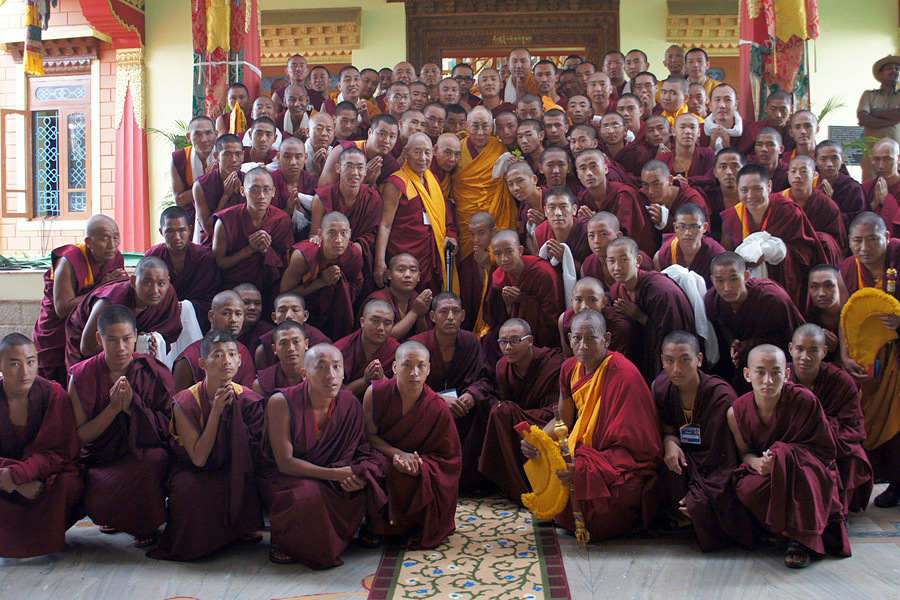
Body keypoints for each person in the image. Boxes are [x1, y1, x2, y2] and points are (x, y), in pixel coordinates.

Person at [521, 310, 662, 539]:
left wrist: (584, 469)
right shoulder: (569, 368)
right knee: (542, 461)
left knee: (610, 501)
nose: (583, 346)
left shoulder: (625, 375)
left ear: (606, 339)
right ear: (569, 339)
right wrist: (538, 441)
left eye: (591, 338)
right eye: (577, 338)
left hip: (617, 463)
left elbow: (640, 451)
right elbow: (563, 421)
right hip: (584, 451)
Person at [263, 344, 387, 568]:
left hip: (335, 475)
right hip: (289, 478)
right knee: (308, 495)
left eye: (337, 367)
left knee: (371, 475)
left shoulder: (350, 403)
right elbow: (284, 463)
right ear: (304, 374)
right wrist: (335, 474)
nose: (331, 375)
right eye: (321, 367)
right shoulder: (281, 402)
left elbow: (360, 451)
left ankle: (343, 535)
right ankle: (285, 540)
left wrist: (354, 475)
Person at [727, 345, 850, 568]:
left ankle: (800, 540)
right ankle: (781, 529)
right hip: (766, 471)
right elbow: (744, 454)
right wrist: (759, 463)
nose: (768, 380)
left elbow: (823, 452)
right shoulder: (736, 411)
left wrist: (784, 458)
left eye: (775, 372)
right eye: (760, 371)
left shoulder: (804, 401)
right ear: (747, 374)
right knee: (747, 488)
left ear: (787, 374)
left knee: (800, 470)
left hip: (806, 470)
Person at [149, 330, 265, 561]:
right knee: (190, 490)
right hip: (194, 468)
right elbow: (199, 458)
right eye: (218, 355)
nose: (227, 361)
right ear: (202, 363)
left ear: (240, 360)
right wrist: (216, 412)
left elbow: (256, 454)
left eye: (232, 354)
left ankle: (238, 530)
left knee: (248, 478)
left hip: (234, 466)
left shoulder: (249, 399)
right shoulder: (186, 401)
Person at [68, 305, 175, 548]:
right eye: (112, 340)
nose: (121, 348)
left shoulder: (152, 370)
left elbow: (170, 426)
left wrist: (133, 409)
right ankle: (115, 517)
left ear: (136, 336)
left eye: (127, 339)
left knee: (157, 459)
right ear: (99, 339)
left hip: (142, 453)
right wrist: (114, 408)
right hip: (101, 459)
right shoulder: (82, 376)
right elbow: (79, 437)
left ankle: (143, 523)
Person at [653, 331, 753, 551]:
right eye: (669, 361)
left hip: (716, 465)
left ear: (698, 360)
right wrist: (670, 443)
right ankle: (691, 513)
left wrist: (697, 496)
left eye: (685, 360)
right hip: (688, 460)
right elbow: (668, 429)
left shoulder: (721, 396)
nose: (676, 369)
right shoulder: (662, 389)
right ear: (662, 361)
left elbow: (724, 458)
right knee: (667, 474)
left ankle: (697, 514)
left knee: (705, 500)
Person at [364, 341, 462, 547]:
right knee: (374, 468)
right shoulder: (375, 393)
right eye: (407, 365)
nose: (414, 372)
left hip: (419, 465)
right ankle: (377, 527)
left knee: (410, 475)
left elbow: (450, 460)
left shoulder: (438, 408)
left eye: (420, 366)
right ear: (394, 367)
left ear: (428, 370)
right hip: (383, 455)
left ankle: (411, 526)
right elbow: (370, 437)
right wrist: (397, 454)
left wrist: (420, 468)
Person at [0, 333, 82, 559]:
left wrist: (19, 474)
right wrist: (15, 482)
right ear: (1, 365)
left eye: (30, 361)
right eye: (14, 363)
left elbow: (60, 452)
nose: (24, 372)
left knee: (69, 483)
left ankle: (46, 539)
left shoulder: (54, 394)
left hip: (43, 477)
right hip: (4, 479)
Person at [839, 212, 900, 507]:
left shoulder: (898, 256)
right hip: (872, 357)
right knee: (877, 417)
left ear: (886, 238)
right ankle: (893, 482)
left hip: (897, 352)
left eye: (872, 239)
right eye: (857, 240)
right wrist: (844, 353)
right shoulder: (848, 268)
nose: (864, 247)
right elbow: (845, 314)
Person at [410, 293, 497, 488]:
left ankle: (470, 478)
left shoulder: (470, 342)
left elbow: (484, 377)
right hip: (427, 409)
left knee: (488, 406)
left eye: (455, 312)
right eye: (444, 311)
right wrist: (437, 400)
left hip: (462, 408)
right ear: (432, 316)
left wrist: (472, 395)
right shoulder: (418, 344)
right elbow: (405, 385)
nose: (450, 317)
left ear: (464, 315)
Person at [788, 324, 873, 515]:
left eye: (813, 350)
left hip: (831, 444)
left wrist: (818, 435)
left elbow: (853, 427)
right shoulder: (779, 377)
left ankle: (837, 511)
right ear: (790, 349)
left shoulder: (841, 381)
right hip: (793, 444)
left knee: (854, 458)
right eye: (800, 349)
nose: (805, 357)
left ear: (824, 352)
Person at [720, 163, 828, 310]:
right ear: (737, 190)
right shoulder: (733, 217)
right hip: (748, 286)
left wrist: (774, 252)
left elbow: (806, 252)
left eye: (757, 188)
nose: (750, 195)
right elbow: (728, 258)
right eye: (744, 190)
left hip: (785, 282)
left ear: (769, 186)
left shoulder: (788, 210)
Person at [34, 215, 125, 385]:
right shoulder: (69, 260)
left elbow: (116, 293)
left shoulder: (115, 257)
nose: (112, 245)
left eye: (115, 237)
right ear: (88, 242)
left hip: (88, 331)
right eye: (105, 239)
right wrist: (101, 287)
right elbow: (61, 308)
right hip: (56, 335)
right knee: (56, 388)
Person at [479, 319, 563, 502]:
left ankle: (524, 485)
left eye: (515, 341)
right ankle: (514, 485)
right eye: (503, 342)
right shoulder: (502, 367)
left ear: (530, 340)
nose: (508, 347)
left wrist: (513, 413)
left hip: (548, 423)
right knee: (501, 412)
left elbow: (556, 411)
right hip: (520, 421)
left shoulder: (553, 363)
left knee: (504, 413)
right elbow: (507, 401)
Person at [705, 252, 805, 390]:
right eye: (720, 281)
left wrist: (748, 347)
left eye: (734, 279)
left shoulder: (772, 299)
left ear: (746, 276)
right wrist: (733, 342)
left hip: (774, 371)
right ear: (712, 279)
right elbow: (720, 325)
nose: (727, 288)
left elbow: (791, 340)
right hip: (737, 369)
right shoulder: (712, 299)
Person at [374, 132, 458, 295]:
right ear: (406, 152)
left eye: (427, 153)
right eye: (417, 152)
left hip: (431, 256)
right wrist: (379, 263)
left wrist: (449, 235)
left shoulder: (433, 180)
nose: (422, 158)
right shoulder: (396, 182)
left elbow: (442, 217)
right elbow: (384, 225)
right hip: (404, 257)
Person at [65, 256, 182, 370]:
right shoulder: (109, 301)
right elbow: (86, 347)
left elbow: (170, 330)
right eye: (148, 283)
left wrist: (151, 339)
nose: (155, 291)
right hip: (90, 358)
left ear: (167, 282)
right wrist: (132, 344)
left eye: (161, 284)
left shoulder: (168, 294)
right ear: (133, 281)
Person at [607, 237, 696, 382]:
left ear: (638, 261)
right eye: (612, 261)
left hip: (670, 363)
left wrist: (640, 317)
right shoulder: (617, 290)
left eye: (624, 260)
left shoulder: (660, 292)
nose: (617, 267)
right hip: (644, 356)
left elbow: (673, 336)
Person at [281, 212, 363, 341]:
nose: (338, 240)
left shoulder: (354, 254)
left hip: (335, 315)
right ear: (320, 234)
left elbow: (357, 283)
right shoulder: (303, 256)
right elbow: (285, 293)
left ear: (350, 233)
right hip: (305, 313)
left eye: (343, 233)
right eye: (331, 233)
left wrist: (341, 294)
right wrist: (321, 282)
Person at [212, 167, 293, 295]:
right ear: (243, 191)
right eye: (255, 190)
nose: (261, 196)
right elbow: (219, 262)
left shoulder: (282, 220)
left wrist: (266, 251)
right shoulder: (225, 221)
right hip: (234, 289)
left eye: (266, 190)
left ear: (273, 192)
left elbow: (287, 263)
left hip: (269, 288)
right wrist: (249, 250)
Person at [310, 146, 383, 280]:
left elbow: (371, 236)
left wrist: (351, 251)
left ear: (366, 171)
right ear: (338, 168)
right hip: (328, 260)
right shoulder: (321, 198)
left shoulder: (373, 198)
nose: (354, 172)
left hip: (358, 258)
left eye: (360, 167)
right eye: (349, 166)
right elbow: (314, 234)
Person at [485, 229, 563, 350]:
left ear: (520, 250)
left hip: (542, 336)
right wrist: (508, 305)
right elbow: (497, 317)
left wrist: (522, 299)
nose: (503, 259)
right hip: (514, 334)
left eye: (509, 252)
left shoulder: (543, 273)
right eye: (498, 254)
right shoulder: (499, 276)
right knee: (489, 341)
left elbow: (552, 316)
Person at [146, 206, 220, 333]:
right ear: (161, 231)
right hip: (161, 321)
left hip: (197, 323)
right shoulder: (153, 256)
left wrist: (184, 308)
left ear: (190, 230)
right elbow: (145, 294)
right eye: (170, 231)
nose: (176, 237)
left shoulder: (204, 258)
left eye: (182, 230)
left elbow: (210, 299)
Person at [575, 148, 655, 256]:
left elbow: (628, 237)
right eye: (583, 168)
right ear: (578, 175)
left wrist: (596, 223)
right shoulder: (582, 198)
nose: (589, 173)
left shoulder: (624, 195)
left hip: (631, 256)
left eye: (594, 166)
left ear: (605, 169)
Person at [173, 290, 256, 392]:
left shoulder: (242, 351)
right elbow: (179, 402)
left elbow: (248, 398)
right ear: (211, 316)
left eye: (238, 314)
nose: (233, 319)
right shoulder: (190, 357)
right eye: (226, 313)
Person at [781, 155, 848, 264]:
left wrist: (817, 240)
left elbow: (838, 241)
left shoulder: (826, 204)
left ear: (814, 175)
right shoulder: (779, 201)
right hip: (786, 257)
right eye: (793, 171)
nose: (798, 176)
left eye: (803, 171)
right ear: (788, 174)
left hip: (817, 256)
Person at [334, 299, 400, 400]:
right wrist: (364, 381)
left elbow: (398, 393)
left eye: (387, 323)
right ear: (362, 322)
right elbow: (333, 393)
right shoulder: (340, 349)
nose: (381, 328)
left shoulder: (397, 352)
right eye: (375, 321)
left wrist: (382, 379)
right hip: (345, 408)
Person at [318, 114, 401, 189]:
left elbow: (382, 202)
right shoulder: (342, 151)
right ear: (370, 132)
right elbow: (323, 189)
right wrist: (361, 180)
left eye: (392, 136)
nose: (387, 140)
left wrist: (372, 183)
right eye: (382, 134)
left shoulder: (391, 166)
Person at [559, 276, 633, 360]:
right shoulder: (565, 320)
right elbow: (569, 358)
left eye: (592, 300)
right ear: (572, 301)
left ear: (603, 302)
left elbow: (616, 363)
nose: (584, 307)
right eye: (579, 300)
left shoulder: (619, 327)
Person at [254, 291, 331, 371]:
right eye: (282, 311)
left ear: (305, 316)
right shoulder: (265, 347)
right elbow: (265, 378)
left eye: (295, 310)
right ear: (274, 317)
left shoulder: (321, 343)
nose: (288, 316)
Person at [654, 202, 725, 286]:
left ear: (705, 227)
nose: (688, 233)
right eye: (682, 227)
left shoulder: (717, 254)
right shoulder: (662, 256)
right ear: (675, 227)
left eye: (694, 227)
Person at [193, 134, 245, 247]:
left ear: (243, 156)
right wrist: (226, 196)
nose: (234, 160)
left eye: (238, 154)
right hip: (213, 244)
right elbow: (208, 228)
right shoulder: (201, 186)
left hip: (243, 242)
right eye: (227, 154)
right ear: (216, 156)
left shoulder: (248, 181)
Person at [638, 159, 710, 234]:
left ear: (670, 181)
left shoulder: (690, 199)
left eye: (656, 184)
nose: (650, 191)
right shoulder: (643, 195)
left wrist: (665, 220)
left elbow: (698, 236)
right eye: (645, 185)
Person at [171, 116, 217, 232]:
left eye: (208, 133)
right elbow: (179, 200)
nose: (204, 139)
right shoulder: (179, 158)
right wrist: (205, 181)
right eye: (197, 134)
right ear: (189, 137)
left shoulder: (224, 155)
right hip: (191, 219)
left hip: (218, 215)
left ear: (216, 134)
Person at [858, 55, 900, 179]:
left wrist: (876, 113)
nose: (894, 71)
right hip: (872, 154)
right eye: (889, 68)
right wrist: (894, 119)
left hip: (896, 154)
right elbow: (864, 119)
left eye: (897, 68)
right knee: (870, 190)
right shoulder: (869, 95)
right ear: (880, 74)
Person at [534, 187, 591, 275]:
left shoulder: (586, 230)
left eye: (563, 207)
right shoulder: (540, 232)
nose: (558, 213)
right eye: (552, 207)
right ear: (545, 211)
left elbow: (592, 271)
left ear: (574, 209)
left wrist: (565, 258)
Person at [814, 140, 868, 231]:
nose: (829, 164)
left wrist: (830, 204)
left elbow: (858, 222)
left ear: (842, 159)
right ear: (815, 161)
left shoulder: (852, 188)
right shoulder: (810, 185)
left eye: (834, 158)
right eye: (823, 159)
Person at [253, 320, 308, 398]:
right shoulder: (261, 383)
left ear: (306, 344)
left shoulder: (318, 375)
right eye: (284, 343)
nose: (291, 348)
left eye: (296, 342)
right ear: (274, 348)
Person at [804, 264, 846, 364]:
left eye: (828, 286)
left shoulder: (851, 315)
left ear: (840, 285)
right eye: (814, 287)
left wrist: (839, 348)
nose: (821, 293)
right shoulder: (809, 317)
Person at [269, 137, 317, 220]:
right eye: (287, 157)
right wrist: (287, 211)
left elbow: (316, 217)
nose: (293, 162)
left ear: (305, 158)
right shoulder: (270, 180)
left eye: (298, 157)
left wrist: (302, 213)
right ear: (279, 158)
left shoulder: (311, 182)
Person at [862, 138, 900, 237]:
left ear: (898, 159)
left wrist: (886, 201)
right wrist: (873, 205)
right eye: (876, 159)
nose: (881, 165)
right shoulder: (866, 187)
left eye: (887, 159)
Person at [658, 113, 715, 177]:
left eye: (692, 127)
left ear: (699, 132)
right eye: (682, 127)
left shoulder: (707, 155)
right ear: (673, 132)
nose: (688, 131)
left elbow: (711, 181)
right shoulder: (662, 161)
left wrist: (685, 183)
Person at [741, 90, 795, 157]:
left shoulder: (795, 130)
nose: (778, 115)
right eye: (773, 109)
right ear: (766, 108)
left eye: (783, 110)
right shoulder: (754, 129)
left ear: (791, 109)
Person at [234, 283, 272, 358]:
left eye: (257, 304)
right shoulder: (221, 329)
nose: (252, 308)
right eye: (246, 303)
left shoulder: (268, 333)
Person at [703, 85, 744, 151]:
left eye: (728, 100)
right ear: (710, 105)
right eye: (717, 100)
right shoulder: (700, 131)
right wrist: (711, 147)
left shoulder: (748, 131)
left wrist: (727, 148)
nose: (722, 105)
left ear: (736, 105)